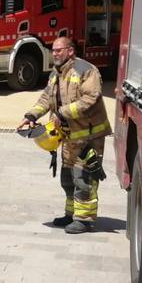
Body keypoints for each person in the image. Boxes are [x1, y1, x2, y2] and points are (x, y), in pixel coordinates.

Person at [17, 36, 109, 234]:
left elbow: (90, 99)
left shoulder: (86, 70)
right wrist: (31, 115)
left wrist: (62, 113)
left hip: (89, 136)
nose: (55, 53)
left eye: (59, 50)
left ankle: (84, 220)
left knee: (83, 177)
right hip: (68, 137)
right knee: (67, 178)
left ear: (70, 51)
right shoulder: (56, 73)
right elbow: (46, 98)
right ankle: (71, 215)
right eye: (53, 50)